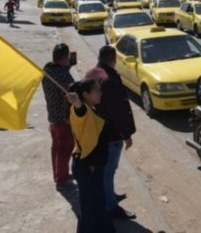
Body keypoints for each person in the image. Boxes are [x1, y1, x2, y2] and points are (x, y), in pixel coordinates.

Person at [85, 46, 136, 220]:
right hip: (111, 134)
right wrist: (127, 134)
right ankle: (110, 207)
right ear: (113, 58)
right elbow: (118, 111)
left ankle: (109, 196)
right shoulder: (109, 79)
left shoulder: (91, 74)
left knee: (105, 171)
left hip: (97, 131)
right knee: (108, 171)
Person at [66, 79, 116, 233]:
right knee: (90, 211)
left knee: (98, 205)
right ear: (86, 94)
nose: (100, 93)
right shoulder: (82, 110)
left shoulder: (91, 108)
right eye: (97, 90)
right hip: (87, 166)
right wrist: (77, 103)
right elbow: (79, 113)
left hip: (93, 166)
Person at [41, 43, 75, 189]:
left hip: (53, 117)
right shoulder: (62, 75)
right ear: (64, 58)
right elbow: (72, 92)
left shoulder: (48, 70)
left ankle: (59, 173)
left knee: (56, 147)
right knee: (65, 149)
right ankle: (61, 179)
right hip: (63, 119)